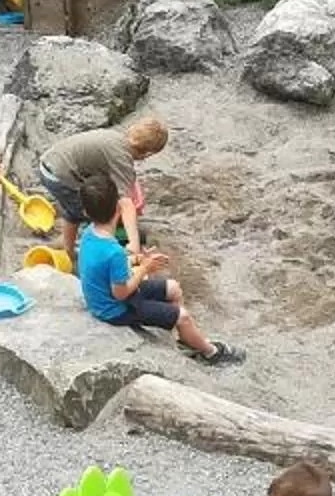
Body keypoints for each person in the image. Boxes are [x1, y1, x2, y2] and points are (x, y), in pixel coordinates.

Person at [75, 173, 240, 364]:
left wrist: (138, 261)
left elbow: (106, 269)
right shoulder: (113, 252)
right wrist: (144, 268)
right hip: (114, 309)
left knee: (174, 288)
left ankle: (185, 340)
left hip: (105, 296)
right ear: (117, 210)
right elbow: (120, 293)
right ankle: (211, 353)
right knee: (183, 316)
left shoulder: (89, 235)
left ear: (86, 213)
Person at [38, 115, 167, 255]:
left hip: (49, 162)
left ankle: (68, 249)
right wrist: (134, 242)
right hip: (60, 177)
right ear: (147, 154)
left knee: (74, 210)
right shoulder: (122, 158)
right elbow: (126, 203)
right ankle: (96, 252)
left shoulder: (114, 137)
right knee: (97, 214)